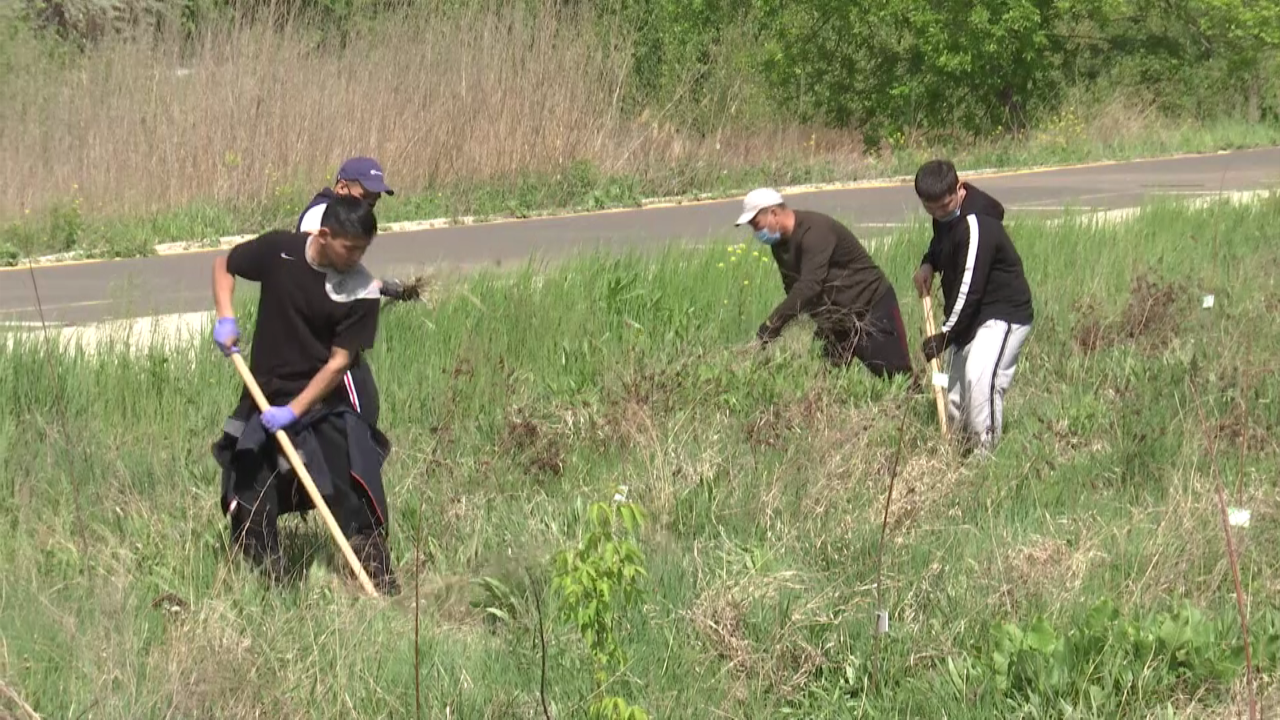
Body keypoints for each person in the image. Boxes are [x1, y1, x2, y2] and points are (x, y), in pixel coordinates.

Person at [210, 194, 400, 595]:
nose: (356, 258)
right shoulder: (281, 252)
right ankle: (270, 586)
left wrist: (294, 410)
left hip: (321, 403)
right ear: (324, 235)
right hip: (262, 397)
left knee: (355, 489)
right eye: (350, 249)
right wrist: (226, 316)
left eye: (363, 250)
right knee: (249, 490)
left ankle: (380, 586)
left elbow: (338, 363)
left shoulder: (361, 291)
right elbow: (226, 263)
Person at [913, 159, 1034, 454]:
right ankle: (957, 453)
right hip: (967, 319)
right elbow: (943, 244)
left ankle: (984, 460)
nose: (940, 214)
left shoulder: (977, 225)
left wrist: (944, 335)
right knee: (951, 393)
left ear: (960, 188)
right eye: (932, 209)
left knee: (979, 379)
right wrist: (929, 262)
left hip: (1001, 314)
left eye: (945, 205)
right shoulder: (944, 217)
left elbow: (969, 288)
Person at [736, 187, 914, 379]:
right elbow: (792, 287)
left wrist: (773, 323)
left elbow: (809, 286)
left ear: (773, 213)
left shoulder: (815, 232)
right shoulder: (779, 244)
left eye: (757, 224)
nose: (756, 232)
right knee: (825, 379)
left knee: (897, 377)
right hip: (837, 320)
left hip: (872, 306)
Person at [297, 156, 402, 429]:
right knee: (360, 411)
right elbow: (320, 265)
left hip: (327, 330)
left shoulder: (340, 215)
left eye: (374, 201)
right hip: (322, 336)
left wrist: (379, 286)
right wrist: (371, 286)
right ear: (342, 188)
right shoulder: (320, 214)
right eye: (364, 197)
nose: (369, 206)